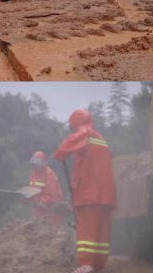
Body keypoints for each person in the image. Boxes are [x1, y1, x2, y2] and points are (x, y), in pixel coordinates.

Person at [54, 110, 116, 273]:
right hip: (107, 195)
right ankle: (98, 265)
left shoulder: (84, 133)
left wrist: (62, 153)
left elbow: (61, 151)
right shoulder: (101, 138)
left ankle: (86, 263)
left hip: (89, 194)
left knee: (86, 230)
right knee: (101, 233)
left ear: (75, 124)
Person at [28, 151, 64, 224]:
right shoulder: (33, 173)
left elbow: (51, 194)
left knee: (51, 228)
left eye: (37, 164)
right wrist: (28, 197)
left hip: (51, 206)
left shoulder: (49, 173)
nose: (36, 166)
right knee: (36, 226)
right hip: (39, 206)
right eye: (34, 164)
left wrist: (43, 201)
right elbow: (31, 189)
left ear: (42, 163)